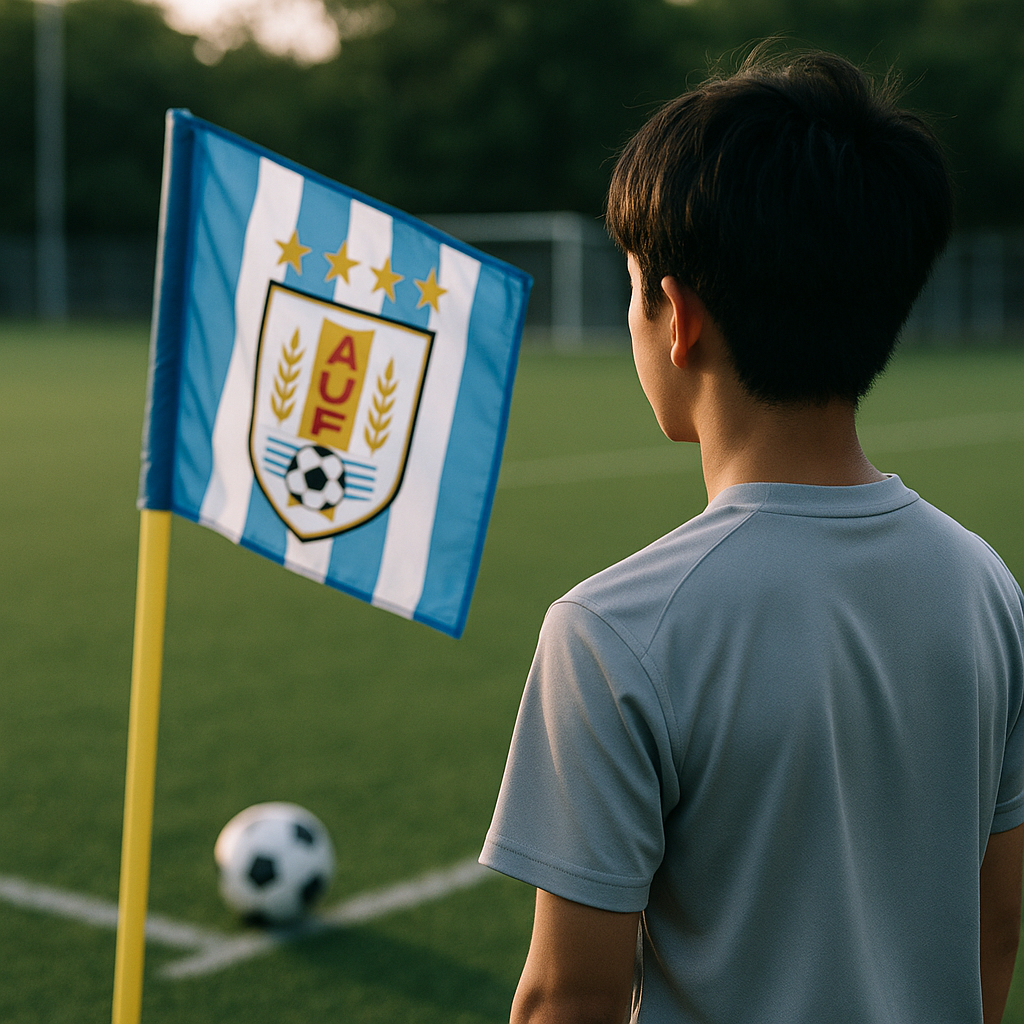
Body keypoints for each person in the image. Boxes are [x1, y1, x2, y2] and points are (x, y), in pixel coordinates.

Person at [479, 46, 1024, 1024]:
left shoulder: (612, 632)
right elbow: (997, 918)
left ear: (678, 318)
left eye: (634, 285)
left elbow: (571, 995)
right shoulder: (987, 585)